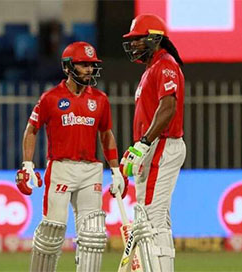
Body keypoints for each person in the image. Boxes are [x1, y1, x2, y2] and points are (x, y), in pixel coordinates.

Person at [15, 41, 128, 272]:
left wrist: (116, 170)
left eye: (91, 65)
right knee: (52, 232)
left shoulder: (100, 99)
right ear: (68, 67)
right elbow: (32, 129)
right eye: (83, 65)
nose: (89, 70)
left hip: (90, 171)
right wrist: (27, 164)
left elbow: (106, 135)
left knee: (93, 234)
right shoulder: (50, 98)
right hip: (61, 168)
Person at [120, 14, 186, 272]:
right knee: (155, 218)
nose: (133, 45)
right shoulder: (153, 68)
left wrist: (145, 143)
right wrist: (137, 147)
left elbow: (167, 107)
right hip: (154, 146)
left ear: (155, 39)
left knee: (151, 219)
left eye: (138, 40)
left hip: (161, 145)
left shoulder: (165, 65)